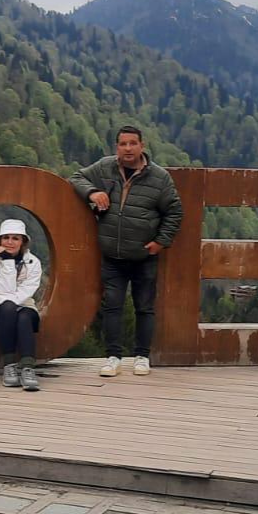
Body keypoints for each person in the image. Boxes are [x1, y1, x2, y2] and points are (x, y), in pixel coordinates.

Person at [69, 125, 183, 378]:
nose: (128, 149)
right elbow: (76, 178)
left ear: (142, 146)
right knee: (112, 307)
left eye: (133, 143)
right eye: (123, 144)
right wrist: (93, 192)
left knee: (144, 308)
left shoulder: (160, 177)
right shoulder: (105, 167)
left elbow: (174, 212)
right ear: (116, 147)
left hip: (144, 256)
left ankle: (142, 356)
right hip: (112, 255)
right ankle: (113, 357)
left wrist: (161, 241)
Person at [0, 219, 44, 391]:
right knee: (8, 307)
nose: (10, 242)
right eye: (6, 238)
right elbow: (2, 289)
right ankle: (9, 366)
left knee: (24, 316)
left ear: (23, 241)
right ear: (0, 240)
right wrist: (7, 260)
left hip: (24, 305)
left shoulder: (33, 262)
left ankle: (27, 368)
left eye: (15, 238)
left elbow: (25, 293)